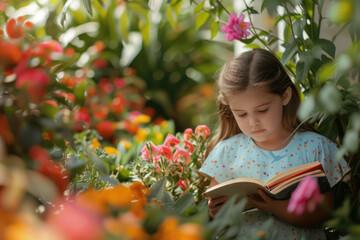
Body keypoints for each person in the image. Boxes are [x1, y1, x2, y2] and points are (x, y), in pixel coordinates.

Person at [199, 48, 350, 239]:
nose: (253, 122)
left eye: (262, 110)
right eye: (241, 114)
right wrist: (215, 212)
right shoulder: (227, 152)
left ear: (285, 96)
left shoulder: (314, 147)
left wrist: (277, 207)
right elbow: (217, 210)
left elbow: (325, 212)